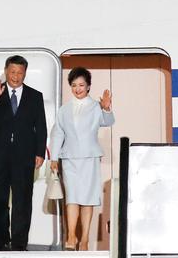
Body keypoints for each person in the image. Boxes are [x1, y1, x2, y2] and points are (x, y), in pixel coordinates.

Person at [0, 55, 47, 251]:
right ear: (6, 71)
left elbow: (41, 126)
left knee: (22, 201)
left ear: (25, 73)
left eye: (20, 72)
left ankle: (19, 243)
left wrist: (40, 152)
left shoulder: (35, 96)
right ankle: (0, 240)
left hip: (24, 156)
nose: (16, 76)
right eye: (12, 72)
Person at [49, 67, 115, 251]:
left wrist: (107, 108)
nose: (77, 89)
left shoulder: (96, 106)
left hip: (89, 158)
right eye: (74, 85)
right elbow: (57, 134)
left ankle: (84, 238)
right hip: (69, 158)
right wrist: (54, 157)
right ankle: (71, 235)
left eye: (81, 85)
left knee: (87, 199)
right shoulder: (64, 110)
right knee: (72, 197)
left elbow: (108, 122)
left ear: (88, 87)